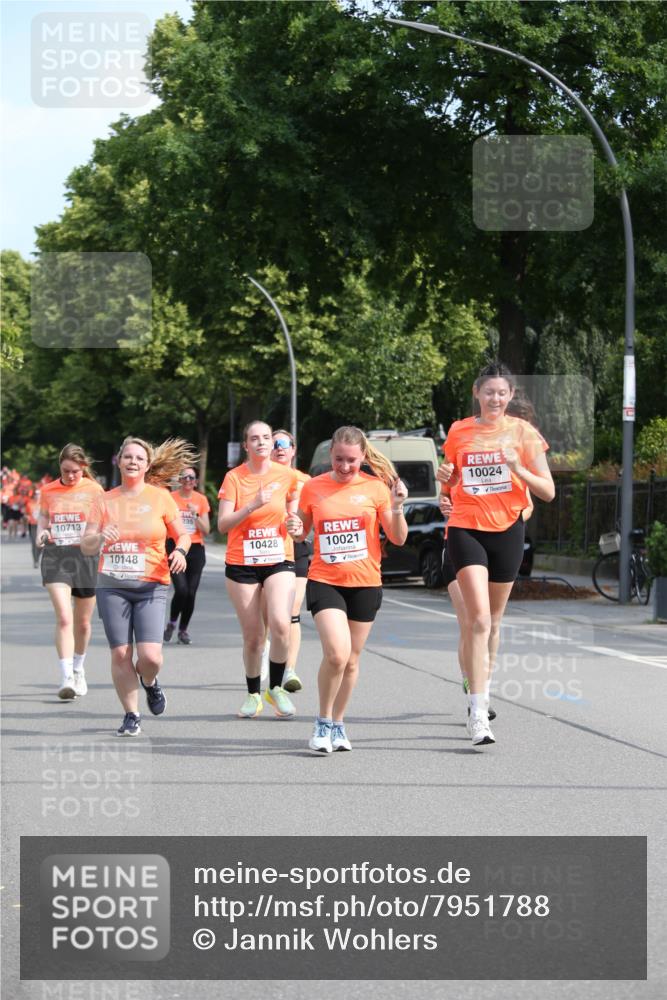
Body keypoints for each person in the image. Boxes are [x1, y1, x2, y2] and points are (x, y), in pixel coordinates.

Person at [438, 363, 554, 747]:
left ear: (510, 396)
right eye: (489, 392)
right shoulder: (459, 431)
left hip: (507, 530)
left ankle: (480, 686)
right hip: (466, 527)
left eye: (502, 393)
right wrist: (446, 481)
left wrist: (518, 466)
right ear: (477, 392)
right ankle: (478, 713)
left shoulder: (523, 433)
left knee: (495, 622)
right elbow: (454, 477)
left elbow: (548, 492)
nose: (495, 399)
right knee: (479, 619)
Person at [287, 426, 408, 754]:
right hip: (325, 580)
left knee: (351, 661)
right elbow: (300, 532)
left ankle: (338, 724)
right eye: (339, 459)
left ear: (363, 457)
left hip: (366, 582)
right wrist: (296, 528)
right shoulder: (314, 487)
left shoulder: (376, 488)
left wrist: (397, 507)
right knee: (337, 654)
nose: (344, 466)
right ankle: (322, 722)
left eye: (351, 460)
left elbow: (397, 538)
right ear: (331, 456)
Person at [81, 436, 196, 737]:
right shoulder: (103, 500)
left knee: (151, 657)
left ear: (147, 465)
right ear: (118, 461)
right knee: (120, 654)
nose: (133, 462)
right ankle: (131, 714)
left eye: (139, 458)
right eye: (128, 457)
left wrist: (181, 551)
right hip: (112, 586)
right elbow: (86, 545)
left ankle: (150, 682)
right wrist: (101, 537)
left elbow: (183, 534)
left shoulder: (160, 497)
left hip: (152, 584)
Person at [217, 420, 299, 720]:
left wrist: (296, 522)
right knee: (254, 636)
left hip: (279, 558)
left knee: (280, 624)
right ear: (246, 445)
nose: (262, 442)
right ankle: (253, 693)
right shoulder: (234, 478)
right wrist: (253, 504)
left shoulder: (287, 476)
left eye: (268, 438)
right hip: (242, 563)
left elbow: (296, 512)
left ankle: (275, 688)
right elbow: (223, 524)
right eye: (255, 438)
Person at [37, 444, 104, 699]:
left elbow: (103, 523)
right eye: (66, 471)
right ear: (59, 468)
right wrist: (41, 533)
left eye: (76, 471)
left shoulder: (95, 490)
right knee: (65, 617)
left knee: (83, 622)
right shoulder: (48, 490)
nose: (71, 476)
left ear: (83, 468)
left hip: (86, 556)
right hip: (56, 555)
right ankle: (65, 676)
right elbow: (43, 518)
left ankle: (78, 669)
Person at [259, 429, 311, 693]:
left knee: (293, 610)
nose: (279, 448)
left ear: (293, 450)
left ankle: (289, 669)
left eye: (285, 444)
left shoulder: (306, 480)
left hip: (297, 547)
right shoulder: (260, 478)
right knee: (269, 614)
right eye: (275, 443)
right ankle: (267, 647)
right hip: (266, 549)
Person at [163, 467, 210, 645]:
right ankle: (172, 622)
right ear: (180, 480)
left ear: (196, 481)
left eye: (192, 477)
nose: (188, 480)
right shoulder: (170, 498)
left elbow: (206, 529)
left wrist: (195, 514)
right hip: (174, 547)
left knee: (191, 592)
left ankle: (183, 630)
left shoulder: (201, 500)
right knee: (181, 589)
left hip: (196, 549)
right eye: (184, 476)